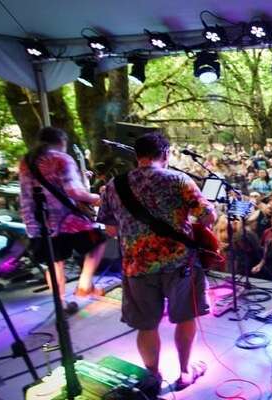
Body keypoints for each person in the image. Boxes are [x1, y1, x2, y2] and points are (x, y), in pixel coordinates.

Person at [98, 132, 216, 390]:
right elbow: (208, 216)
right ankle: (185, 373)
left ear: (137, 155)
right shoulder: (178, 180)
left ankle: (153, 377)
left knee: (146, 325)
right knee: (185, 318)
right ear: (165, 153)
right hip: (179, 263)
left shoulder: (113, 186)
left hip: (136, 265)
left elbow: (110, 230)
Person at [18, 127, 106, 314]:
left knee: (54, 261)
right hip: (67, 219)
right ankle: (84, 283)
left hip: (39, 221)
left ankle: (61, 304)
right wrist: (97, 198)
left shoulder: (26, 161)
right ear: (61, 142)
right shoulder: (61, 158)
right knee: (98, 241)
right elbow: (74, 192)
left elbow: (26, 193)